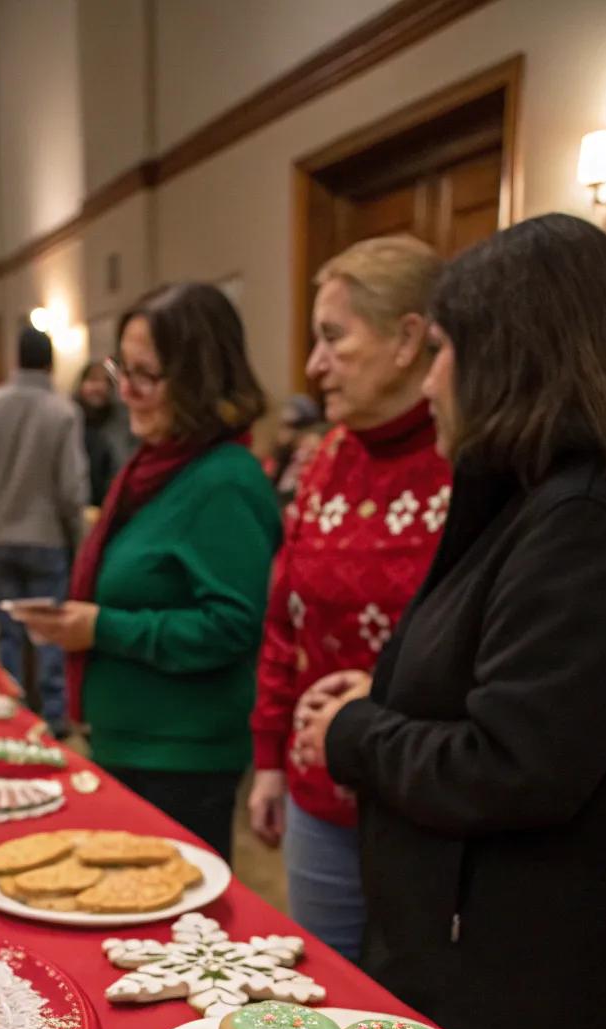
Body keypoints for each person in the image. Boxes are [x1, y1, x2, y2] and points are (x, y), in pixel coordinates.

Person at [294, 213, 606, 1029]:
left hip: (539, 984)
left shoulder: (595, 520)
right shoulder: (545, 493)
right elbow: (503, 681)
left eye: (441, 350)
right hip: (491, 959)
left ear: (514, 354)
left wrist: (359, 734)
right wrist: (388, 693)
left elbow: (519, 763)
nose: (429, 376)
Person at [17, 282, 279, 863]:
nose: (126, 392)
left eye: (146, 376)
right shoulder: (156, 464)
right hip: (134, 747)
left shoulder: (223, 480)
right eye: (121, 370)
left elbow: (236, 626)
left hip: (180, 759)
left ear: (200, 379)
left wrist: (102, 629)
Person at [249, 236, 449, 960]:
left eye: (334, 337)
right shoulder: (325, 459)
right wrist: (270, 757)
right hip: (319, 792)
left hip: (430, 801)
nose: (313, 366)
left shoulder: (469, 464)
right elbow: (285, 620)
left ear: (407, 339)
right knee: (328, 1001)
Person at [0, 324, 88, 733]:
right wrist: (80, 542)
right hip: (47, 537)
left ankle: (12, 708)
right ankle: (53, 716)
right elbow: (71, 488)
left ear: (16, 361)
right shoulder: (62, 411)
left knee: (9, 632)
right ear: (51, 363)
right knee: (50, 633)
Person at [74, 359, 134, 506]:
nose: (98, 387)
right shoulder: (70, 420)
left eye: (105, 382)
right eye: (93, 380)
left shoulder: (120, 422)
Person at [261, 393, 323, 507]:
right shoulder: (280, 455)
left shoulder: (310, 454)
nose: (281, 433)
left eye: (289, 426)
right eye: (280, 425)